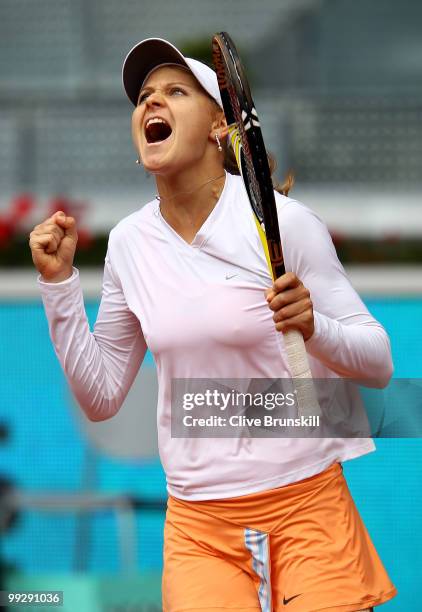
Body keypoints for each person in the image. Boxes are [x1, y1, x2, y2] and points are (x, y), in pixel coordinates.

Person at [29, 37, 397, 612]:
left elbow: (378, 362)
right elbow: (101, 396)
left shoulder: (288, 226)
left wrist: (315, 326)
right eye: (144, 96)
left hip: (307, 508)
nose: (153, 103)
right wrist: (58, 286)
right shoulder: (128, 245)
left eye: (176, 91)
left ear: (219, 127)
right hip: (199, 528)